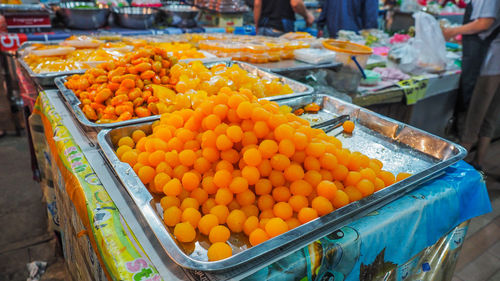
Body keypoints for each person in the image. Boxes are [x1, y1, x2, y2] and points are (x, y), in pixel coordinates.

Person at [442, 0, 500, 170]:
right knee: (490, 115)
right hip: (496, 60)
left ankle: (459, 169)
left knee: (473, 115)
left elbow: (484, 23)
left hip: (488, 63)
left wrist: (452, 31)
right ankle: (479, 162)